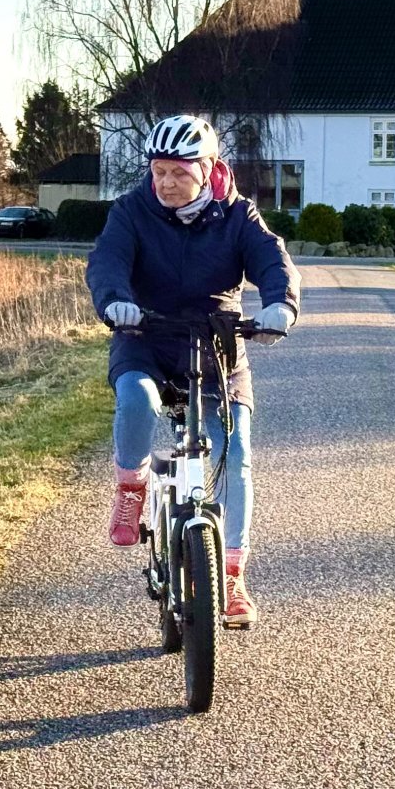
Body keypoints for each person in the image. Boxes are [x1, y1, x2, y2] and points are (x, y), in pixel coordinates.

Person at [85, 114, 300, 627]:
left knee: (236, 451)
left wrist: (281, 306)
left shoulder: (238, 215)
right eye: (158, 171)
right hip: (146, 335)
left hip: (217, 344)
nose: (165, 183)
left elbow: (272, 260)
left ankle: (231, 575)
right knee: (137, 397)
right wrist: (116, 301)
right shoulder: (132, 211)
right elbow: (107, 262)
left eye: (178, 172)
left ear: (207, 169)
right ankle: (131, 488)